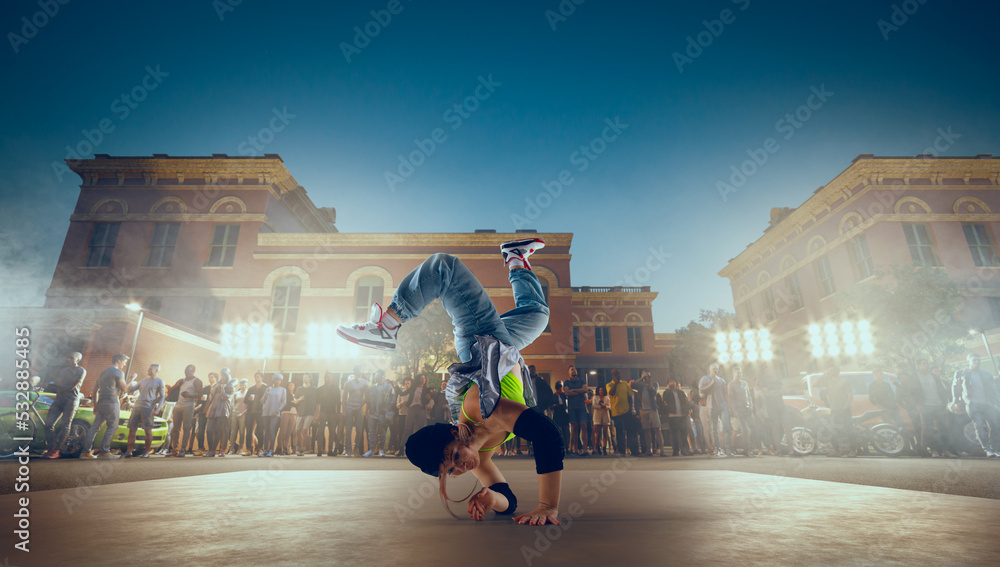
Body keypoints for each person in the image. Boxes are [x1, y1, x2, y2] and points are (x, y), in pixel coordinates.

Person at [341, 240, 563, 525]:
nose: (463, 466)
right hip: (505, 348)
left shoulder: (485, 410)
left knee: (444, 268)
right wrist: (492, 498)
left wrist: (547, 505)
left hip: (480, 340)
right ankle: (515, 257)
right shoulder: (477, 458)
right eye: (453, 470)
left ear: (454, 433)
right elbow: (509, 501)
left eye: (455, 455)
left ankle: (387, 325)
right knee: (538, 314)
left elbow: (548, 435)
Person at [80, 353, 130, 459]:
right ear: (119, 361)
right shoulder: (118, 372)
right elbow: (124, 388)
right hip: (112, 402)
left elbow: (95, 391)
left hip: (101, 402)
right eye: (124, 362)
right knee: (112, 427)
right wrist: (132, 379)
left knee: (94, 428)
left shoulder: (103, 373)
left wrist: (95, 405)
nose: (125, 365)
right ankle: (104, 452)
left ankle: (85, 452)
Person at [950, 353, 1000, 457]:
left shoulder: (986, 374)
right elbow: (954, 387)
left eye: (978, 360)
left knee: (994, 425)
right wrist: (955, 401)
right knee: (979, 426)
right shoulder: (961, 373)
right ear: (969, 361)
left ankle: (996, 449)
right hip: (972, 404)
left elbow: (993, 389)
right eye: (974, 360)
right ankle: (987, 450)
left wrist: (996, 401)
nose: (977, 362)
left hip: (987, 404)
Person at [42, 352, 87, 459]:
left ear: (77, 360)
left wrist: (53, 383)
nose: (68, 359)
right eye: (68, 357)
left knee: (65, 425)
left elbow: (70, 386)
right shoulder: (64, 370)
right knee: (48, 424)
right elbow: (58, 381)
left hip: (71, 400)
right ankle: (51, 448)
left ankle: (57, 450)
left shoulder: (81, 371)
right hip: (59, 399)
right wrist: (51, 383)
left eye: (71, 358)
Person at [907, 360, 953, 458]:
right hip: (925, 406)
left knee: (943, 428)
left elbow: (941, 389)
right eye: (924, 363)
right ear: (918, 365)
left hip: (939, 405)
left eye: (927, 364)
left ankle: (946, 450)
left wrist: (945, 402)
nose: (927, 365)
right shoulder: (914, 377)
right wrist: (918, 405)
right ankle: (934, 450)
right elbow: (912, 393)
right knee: (929, 429)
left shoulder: (933, 376)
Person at [124, 363, 165, 458]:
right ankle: (128, 451)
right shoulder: (143, 381)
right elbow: (129, 389)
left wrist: (158, 409)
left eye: (150, 369)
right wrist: (131, 378)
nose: (148, 370)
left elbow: (162, 397)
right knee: (132, 429)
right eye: (148, 369)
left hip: (148, 408)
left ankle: (146, 452)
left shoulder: (159, 381)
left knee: (148, 430)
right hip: (137, 407)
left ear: (156, 370)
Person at [819, 366, 855, 458]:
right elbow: (816, 384)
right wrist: (823, 375)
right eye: (829, 371)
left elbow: (850, 396)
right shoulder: (829, 383)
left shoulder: (844, 382)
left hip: (844, 410)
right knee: (834, 430)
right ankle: (837, 450)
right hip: (834, 410)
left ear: (837, 372)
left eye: (831, 370)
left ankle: (852, 450)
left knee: (848, 429)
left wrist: (844, 407)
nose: (829, 372)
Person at [699, 363, 733, 457]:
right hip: (711, 406)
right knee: (713, 429)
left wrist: (728, 405)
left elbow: (725, 393)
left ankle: (728, 449)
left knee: (726, 426)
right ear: (709, 370)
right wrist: (711, 384)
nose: (715, 370)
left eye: (717, 369)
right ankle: (717, 449)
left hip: (722, 406)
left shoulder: (722, 380)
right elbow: (701, 389)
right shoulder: (705, 379)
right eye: (714, 368)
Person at [759, 369, 793, 456]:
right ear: (764, 373)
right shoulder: (763, 383)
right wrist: (779, 392)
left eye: (770, 371)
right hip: (772, 408)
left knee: (788, 427)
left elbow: (787, 391)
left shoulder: (777, 382)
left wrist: (775, 392)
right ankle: (779, 450)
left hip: (781, 407)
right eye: (767, 371)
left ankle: (791, 450)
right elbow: (767, 394)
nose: (769, 372)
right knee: (775, 428)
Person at [205, 368, 235, 457]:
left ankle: (213, 450)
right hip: (213, 408)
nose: (221, 378)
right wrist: (213, 391)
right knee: (209, 430)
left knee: (218, 430)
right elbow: (211, 397)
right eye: (221, 376)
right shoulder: (216, 385)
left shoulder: (230, 387)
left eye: (223, 377)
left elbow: (225, 397)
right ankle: (210, 449)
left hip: (222, 409)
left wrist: (222, 390)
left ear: (226, 378)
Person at [728, 366, 757, 457]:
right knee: (744, 429)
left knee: (752, 428)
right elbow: (730, 399)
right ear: (733, 374)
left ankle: (749, 448)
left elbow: (748, 395)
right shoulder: (731, 385)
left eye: (740, 373)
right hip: (739, 411)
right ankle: (747, 450)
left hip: (747, 409)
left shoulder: (745, 383)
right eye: (738, 373)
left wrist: (751, 406)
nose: (740, 374)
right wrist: (734, 411)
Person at [365, 371, 395, 457]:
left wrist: (387, 408)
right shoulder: (373, 387)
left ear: (383, 376)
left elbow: (393, 398)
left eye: (378, 376)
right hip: (372, 413)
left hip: (383, 413)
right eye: (376, 376)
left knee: (382, 432)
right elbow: (368, 400)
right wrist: (367, 412)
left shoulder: (388, 386)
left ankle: (381, 449)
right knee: (371, 432)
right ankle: (371, 450)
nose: (377, 377)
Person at [399, 374, 431, 455]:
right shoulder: (413, 388)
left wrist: (428, 399)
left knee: (421, 429)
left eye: (424, 378)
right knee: (407, 428)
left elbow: (427, 401)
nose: (423, 380)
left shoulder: (426, 389)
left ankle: (421, 449)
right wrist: (396, 387)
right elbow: (403, 394)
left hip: (421, 409)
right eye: (421, 378)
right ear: (418, 379)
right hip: (412, 408)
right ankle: (401, 448)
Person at [635, 370, 665, 456]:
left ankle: (662, 450)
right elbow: (633, 385)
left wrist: (649, 383)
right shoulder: (640, 385)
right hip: (643, 410)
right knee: (646, 430)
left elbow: (654, 393)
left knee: (657, 429)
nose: (646, 378)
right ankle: (649, 450)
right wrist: (641, 378)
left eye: (648, 376)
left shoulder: (655, 383)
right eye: (645, 376)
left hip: (652, 409)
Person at [608, 370, 636, 456]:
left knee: (631, 431)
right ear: (612, 376)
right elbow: (611, 393)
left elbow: (630, 395)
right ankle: (622, 451)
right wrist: (616, 383)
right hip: (616, 412)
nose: (617, 376)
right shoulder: (609, 385)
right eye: (615, 375)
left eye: (618, 374)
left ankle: (633, 450)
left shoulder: (624, 384)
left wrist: (632, 408)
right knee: (620, 432)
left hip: (627, 410)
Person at [563, 367, 589, 456]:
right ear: (568, 372)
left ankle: (585, 450)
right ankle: (575, 450)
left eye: (574, 369)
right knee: (574, 428)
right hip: (572, 407)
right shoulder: (566, 382)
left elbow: (585, 390)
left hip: (582, 406)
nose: (574, 370)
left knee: (584, 426)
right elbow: (566, 392)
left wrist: (573, 390)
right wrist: (579, 391)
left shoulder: (581, 381)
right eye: (571, 369)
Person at [315, 371, 342, 457]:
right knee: (320, 431)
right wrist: (321, 396)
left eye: (329, 377)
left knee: (332, 432)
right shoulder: (320, 389)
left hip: (332, 412)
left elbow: (338, 401)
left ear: (332, 378)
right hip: (322, 411)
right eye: (326, 377)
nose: (327, 378)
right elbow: (316, 401)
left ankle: (330, 450)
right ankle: (320, 450)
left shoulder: (336, 388)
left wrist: (338, 412)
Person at [341, 373, 369, 456]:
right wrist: (344, 410)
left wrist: (360, 406)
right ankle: (348, 449)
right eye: (356, 371)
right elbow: (344, 397)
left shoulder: (365, 383)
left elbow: (367, 398)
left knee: (359, 429)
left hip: (359, 408)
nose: (358, 373)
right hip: (349, 407)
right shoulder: (348, 383)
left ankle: (356, 448)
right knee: (348, 429)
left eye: (359, 371)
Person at [259, 374, 286, 457]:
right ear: (273, 380)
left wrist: (278, 410)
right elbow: (262, 401)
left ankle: (271, 450)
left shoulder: (283, 390)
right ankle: (265, 450)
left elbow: (284, 402)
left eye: (279, 380)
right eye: (276, 379)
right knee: (266, 431)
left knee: (271, 430)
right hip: (266, 412)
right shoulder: (268, 389)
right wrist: (266, 393)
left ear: (281, 381)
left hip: (275, 413)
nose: (277, 381)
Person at [662, 380, 690, 456]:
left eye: (673, 382)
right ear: (668, 384)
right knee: (674, 435)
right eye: (670, 382)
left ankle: (685, 450)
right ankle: (676, 451)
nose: (672, 383)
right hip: (672, 416)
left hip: (682, 416)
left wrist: (686, 412)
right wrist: (668, 389)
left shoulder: (681, 392)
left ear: (676, 383)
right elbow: (664, 399)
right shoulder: (667, 392)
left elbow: (685, 403)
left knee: (684, 434)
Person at [243, 372, 267, 455]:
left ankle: (260, 448)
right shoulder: (251, 388)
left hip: (261, 412)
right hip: (250, 411)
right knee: (249, 431)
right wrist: (249, 399)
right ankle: (249, 449)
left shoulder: (266, 388)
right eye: (256, 377)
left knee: (260, 431)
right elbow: (245, 400)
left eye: (258, 377)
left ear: (262, 378)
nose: (257, 379)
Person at [294, 374, 318, 456]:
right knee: (297, 431)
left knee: (304, 430)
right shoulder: (299, 389)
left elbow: (317, 402)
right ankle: (300, 446)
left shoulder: (314, 389)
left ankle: (302, 449)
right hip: (300, 412)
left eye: (306, 377)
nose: (305, 379)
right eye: (303, 377)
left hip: (310, 412)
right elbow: (295, 401)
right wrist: (299, 399)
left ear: (310, 379)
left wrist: (316, 413)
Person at [277, 380, 298, 455]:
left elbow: (297, 404)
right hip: (286, 412)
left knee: (289, 432)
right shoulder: (285, 393)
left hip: (294, 413)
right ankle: (279, 447)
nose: (290, 386)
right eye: (289, 385)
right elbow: (288, 402)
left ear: (294, 386)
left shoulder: (296, 394)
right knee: (283, 431)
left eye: (292, 385)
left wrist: (296, 402)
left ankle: (285, 448)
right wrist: (296, 402)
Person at [229, 378, 249, 454]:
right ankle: (231, 448)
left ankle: (240, 448)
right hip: (235, 413)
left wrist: (243, 413)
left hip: (243, 414)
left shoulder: (248, 393)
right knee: (233, 432)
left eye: (246, 384)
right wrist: (234, 411)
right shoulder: (236, 393)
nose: (245, 385)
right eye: (243, 384)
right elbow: (233, 403)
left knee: (242, 432)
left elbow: (249, 406)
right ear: (240, 385)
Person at [592, 385, 611, 455]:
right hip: (597, 416)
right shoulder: (595, 397)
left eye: (602, 390)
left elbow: (609, 406)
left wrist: (604, 406)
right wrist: (602, 406)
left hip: (605, 415)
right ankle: (598, 447)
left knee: (605, 432)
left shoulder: (607, 398)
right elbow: (594, 405)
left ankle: (604, 447)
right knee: (598, 433)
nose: (601, 392)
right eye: (600, 390)